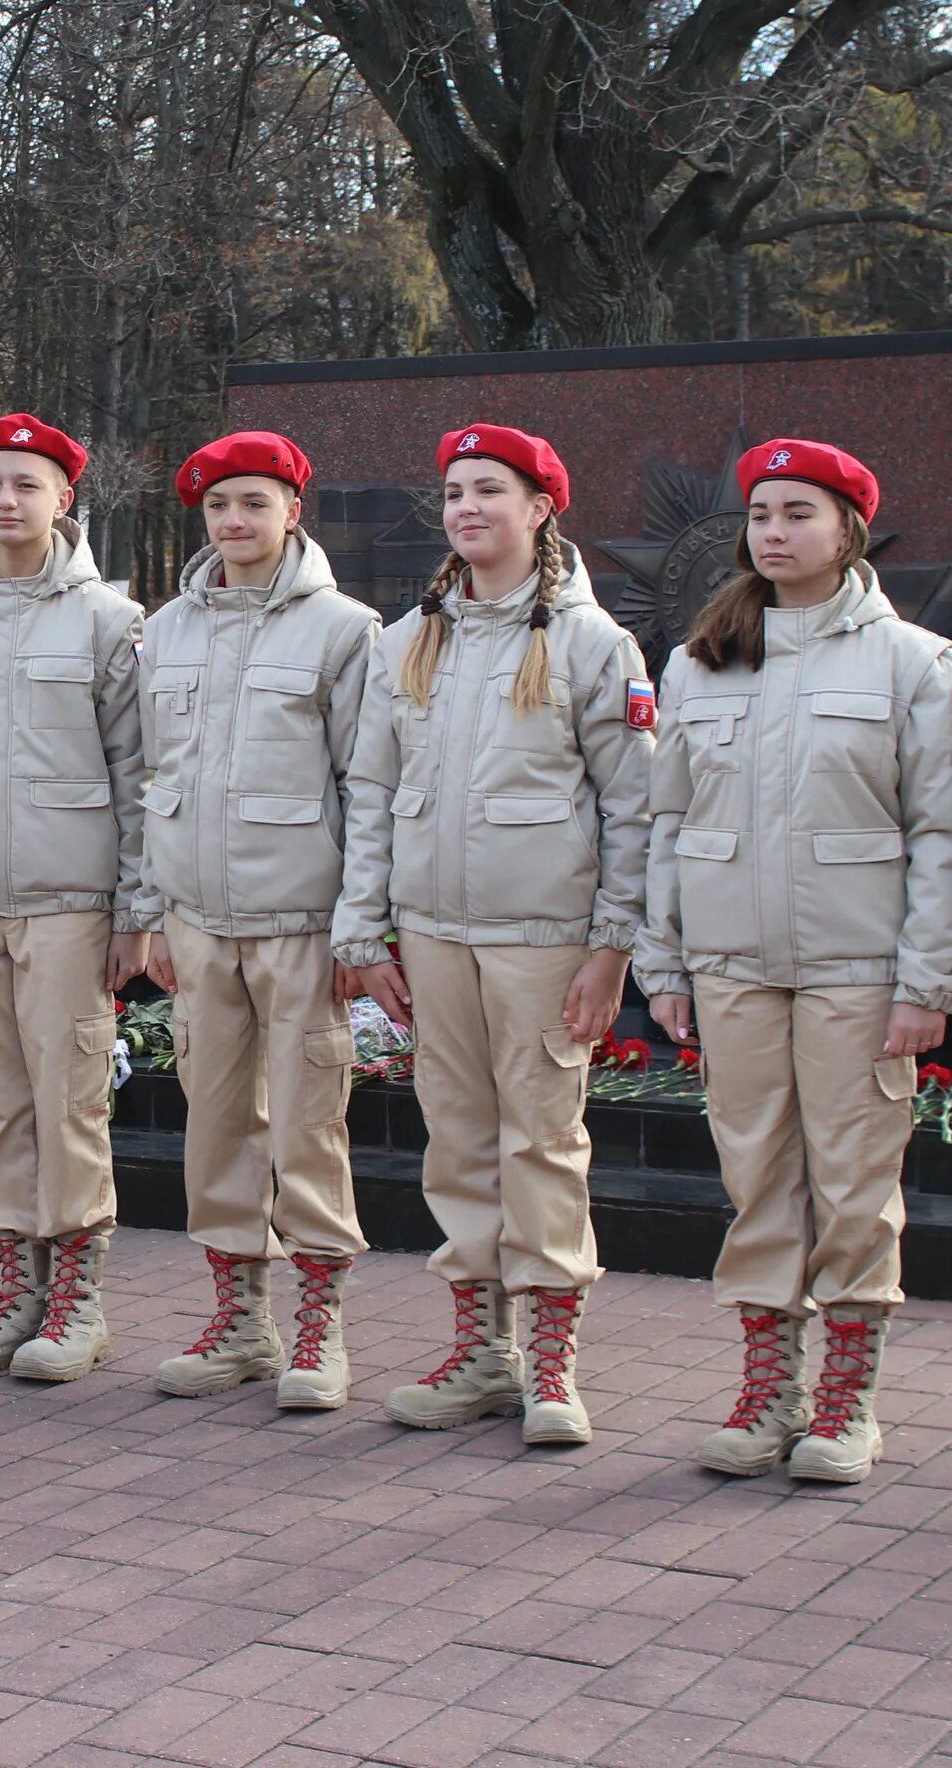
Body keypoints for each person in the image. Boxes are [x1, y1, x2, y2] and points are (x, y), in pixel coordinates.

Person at [638, 440, 952, 1484]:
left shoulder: (910, 662)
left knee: (857, 1182)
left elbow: (944, 833)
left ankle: (847, 1400)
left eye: (799, 512)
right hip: (733, 961)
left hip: (855, 967)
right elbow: (669, 823)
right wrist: (667, 962)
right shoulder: (702, 656)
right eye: (763, 513)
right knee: (759, 1179)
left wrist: (926, 983)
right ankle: (768, 1386)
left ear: (848, 529)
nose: (775, 531)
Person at [340, 425, 652, 1444]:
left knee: (544, 1142)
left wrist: (612, 946)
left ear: (539, 508)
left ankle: (552, 1362)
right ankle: (484, 1349)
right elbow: (374, 793)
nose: (467, 506)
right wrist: (364, 932)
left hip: (542, 938)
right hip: (433, 935)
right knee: (460, 1144)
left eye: (490, 490)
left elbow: (633, 807)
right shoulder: (408, 641)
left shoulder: (591, 643)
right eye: (455, 490)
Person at [135, 432, 380, 1411]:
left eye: (253, 503)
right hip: (200, 923)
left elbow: (367, 784)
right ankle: (241, 1319)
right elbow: (157, 776)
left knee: (311, 1128)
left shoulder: (344, 629)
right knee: (218, 1126)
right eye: (218, 507)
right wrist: (152, 911)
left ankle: (319, 1328)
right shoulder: (171, 626)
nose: (234, 522)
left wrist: (360, 928)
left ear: (292, 511)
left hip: (299, 923)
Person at [0, 412, 150, 1382]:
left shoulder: (107, 622)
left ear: (64, 499)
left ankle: (78, 1300)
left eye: (25, 484)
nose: (6, 500)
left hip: (68, 901)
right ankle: (14, 1288)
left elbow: (137, 772)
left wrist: (136, 908)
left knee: (69, 1100)